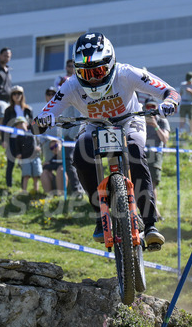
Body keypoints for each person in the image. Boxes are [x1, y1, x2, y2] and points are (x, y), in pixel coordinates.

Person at [33, 32, 179, 248]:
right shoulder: (71, 85)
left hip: (129, 119)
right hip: (93, 123)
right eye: (85, 72)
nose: (92, 78)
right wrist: (43, 121)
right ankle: (100, 216)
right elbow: (41, 118)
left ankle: (150, 225)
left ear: (110, 64)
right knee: (80, 156)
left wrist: (169, 102)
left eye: (98, 71)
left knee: (136, 152)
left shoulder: (126, 73)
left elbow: (170, 91)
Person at [2, 85, 34, 188]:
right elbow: (4, 126)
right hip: (12, 139)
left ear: (22, 95)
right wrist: (4, 140)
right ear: (11, 96)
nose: (17, 96)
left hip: (24, 140)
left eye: (19, 93)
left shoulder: (28, 109)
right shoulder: (8, 110)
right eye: (14, 94)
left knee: (23, 164)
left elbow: (32, 125)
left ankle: (23, 188)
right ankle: (9, 186)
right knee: (10, 163)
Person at [142, 97, 170, 190]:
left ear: (157, 107)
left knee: (152, 184)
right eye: (148, 106)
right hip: (141, 154)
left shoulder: (162, 121)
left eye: (153, 107)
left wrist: (155, 125)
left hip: (155, 156)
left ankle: (153, 200)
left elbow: (165, 139)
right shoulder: (140, 120)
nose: (150, 109)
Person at [10, 115, 42, 193]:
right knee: (26, 175)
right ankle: (24, 191)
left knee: (36, 176)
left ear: (26, 123)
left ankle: (36, 191)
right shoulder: (18, 137)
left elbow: (39, 142)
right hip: (25, 158)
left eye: (21, 123)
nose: (19, 126)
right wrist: (18, 154)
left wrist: (39, 147)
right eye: (17, 125)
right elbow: (17, 148)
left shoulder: (32, 133)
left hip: (35, 156)